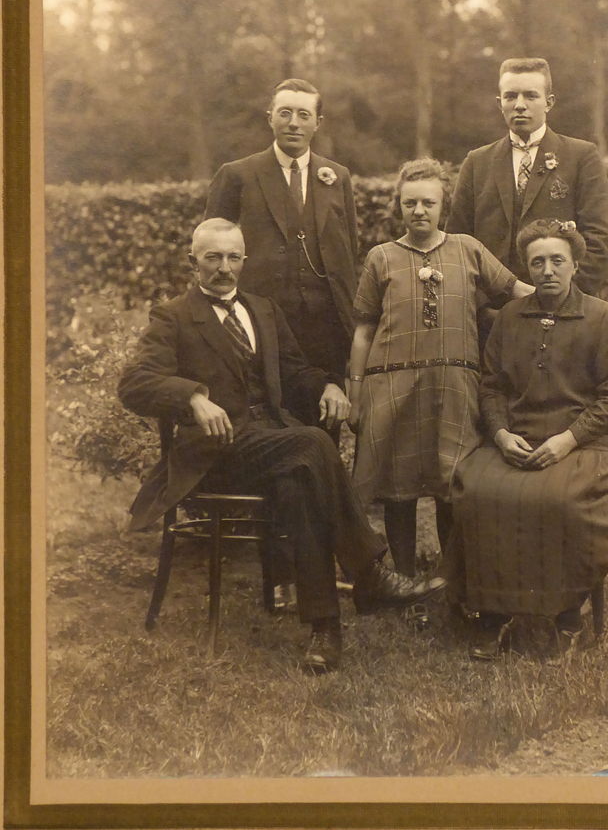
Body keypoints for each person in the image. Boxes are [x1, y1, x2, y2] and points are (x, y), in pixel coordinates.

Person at [118, 219, 441, 674]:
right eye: (212, 258)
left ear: (245, 261)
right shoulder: (172, 316)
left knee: (301, 481)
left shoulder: (263, 310)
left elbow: (295, 371)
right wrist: (192, 397)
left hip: (272, 442)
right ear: (193, 262)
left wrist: (329, 386)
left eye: (233, 257)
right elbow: (133, 383)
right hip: (216, 454)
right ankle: (367, 574)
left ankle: (324, 631)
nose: (224, 268)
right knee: (311, 443)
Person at [448, 218, 608, 660]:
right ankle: (492, 612)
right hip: (521, 435)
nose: (547, 270)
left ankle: (567, 614)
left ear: (574, 265)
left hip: (590, 441)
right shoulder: (511, 317)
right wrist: (499, 433)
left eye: (557, 261)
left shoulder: (603, 318)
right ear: (527, 269)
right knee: (476, 489)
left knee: (558, 501)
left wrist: (569, 440)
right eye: (537, 262)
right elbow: (491, 386)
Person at [347, 159, 534, 581]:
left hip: (454, 385)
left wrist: (565, 300)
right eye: (409, 202)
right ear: (398, 205)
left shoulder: (467, 248)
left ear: (443, 204)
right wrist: (356, 394)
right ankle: (405, 575)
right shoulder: (382, 258)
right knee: (398, 486)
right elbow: (363, 330)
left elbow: (515, 290)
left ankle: (450, 577)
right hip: (392, 385)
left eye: (428, 203)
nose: (419, 211)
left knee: (454, 479)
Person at [446, 57, 608, 342]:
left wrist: (561, 299)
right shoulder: (477, 163)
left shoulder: (580, 157)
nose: (520, 104)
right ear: (499, 102)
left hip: (563, 317)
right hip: (492, 322)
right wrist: (482, 307)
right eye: (511, 96)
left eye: (530, 95)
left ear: (548, 102)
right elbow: (456, 247)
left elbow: (600, 241)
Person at [203, 78, 357, 388]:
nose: (293, 123)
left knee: (325, 419)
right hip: (260, 324)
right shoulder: (238, 175)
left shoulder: (336, 177)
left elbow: (349, 252)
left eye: (304, 115)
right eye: (284, 113)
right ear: (270, 116)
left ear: (318, 123)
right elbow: (210, 251)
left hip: (326, 329)